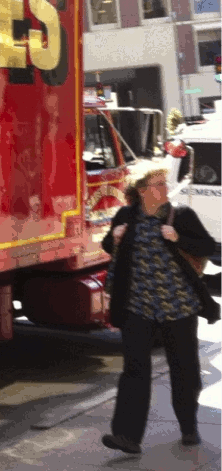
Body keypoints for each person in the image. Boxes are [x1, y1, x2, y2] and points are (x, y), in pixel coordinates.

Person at [100, 164, 219, 454]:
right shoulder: (127, 216)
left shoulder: (181, 215)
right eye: (158, 184)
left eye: (165, 184)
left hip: (178, 307)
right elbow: (109, 248)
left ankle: (188, 426)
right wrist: (113, 237)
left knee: (186, 371)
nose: (165, 189)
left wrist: (178, 238)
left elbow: (206, 247)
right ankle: (127, 437)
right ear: (142, 191)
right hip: (138, 307)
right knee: (134, 371)